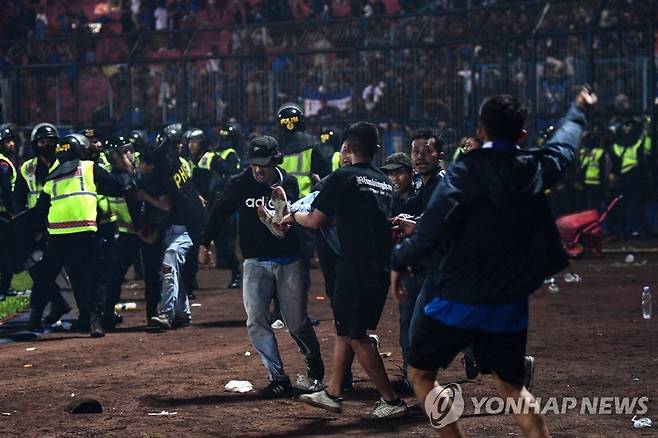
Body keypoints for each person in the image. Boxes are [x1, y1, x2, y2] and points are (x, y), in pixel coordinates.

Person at [389, 88, 596, 437]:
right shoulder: (534, 167)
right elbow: (564, 145)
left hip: (456, 298)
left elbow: (430, 231)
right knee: (514, 390)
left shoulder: (462, 172)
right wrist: (577, 111)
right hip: (508, 303)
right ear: (523, 135)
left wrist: (399, 261)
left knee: (420, 375)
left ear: (481, 132)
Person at [284, 122, 408, 420]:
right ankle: (333, 392)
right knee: (346, 328)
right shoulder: (384, 181)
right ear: (377, 150)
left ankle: (391, 400)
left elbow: (316, 220)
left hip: (354, 266)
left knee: (354, 333)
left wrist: (293, 216)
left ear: (348, 149)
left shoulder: (343, 177)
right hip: (380, 266)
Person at [199, 135, 324, 398]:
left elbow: (289, 208)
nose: (258, 169)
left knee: (296, 322)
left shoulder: (286, 181)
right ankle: (277, 377)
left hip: (288, 260)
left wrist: (278, 216)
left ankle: (314, 365)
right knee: (256, 320)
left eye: (264, 164)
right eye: (254, 163)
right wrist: (204, 242)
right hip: (254, 261)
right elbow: (219, 211)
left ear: (275, 160)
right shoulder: (239, 183)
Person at [28, 133, 135, 336]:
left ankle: (34, 318)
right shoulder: (88, 168)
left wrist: (35, 232)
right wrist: (128, 170)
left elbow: (41, 208)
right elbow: (118, 185)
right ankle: (94, 321)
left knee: (46, 277)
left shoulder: (53, 174)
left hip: (57, 234)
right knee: (91, 277)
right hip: (83, 231)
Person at [0, 123, 17, 298]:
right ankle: (4, 289)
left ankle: (5, 288)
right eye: (7, 141)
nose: (12, 144)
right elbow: (6, 189)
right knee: (7, 252)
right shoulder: (2, 163)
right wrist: (13, 212)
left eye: (12, 140)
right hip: (4, 215)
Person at [381, 152, 415, 216]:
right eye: (390, 173)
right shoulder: (386, 200)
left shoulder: (422, 196)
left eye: (400, 172)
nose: (395, 178)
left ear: (411, 174)